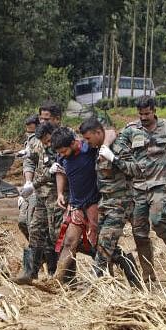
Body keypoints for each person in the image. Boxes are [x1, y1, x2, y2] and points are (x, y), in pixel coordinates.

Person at [109, 96, 166, 282]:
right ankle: (148, 272)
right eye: (141, 114)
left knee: (159, 220)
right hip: (137, 187)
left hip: (160, 184)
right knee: (139, 231)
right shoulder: (130, 130)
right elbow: (119, 149)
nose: (144, 117)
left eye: (147, 113)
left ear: (154, 110)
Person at [79, 117, 140, 287]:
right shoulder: (98, 147)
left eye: (88, 138)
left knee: (106, 242)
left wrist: (114, 159)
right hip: (105, 203)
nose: (87, 142)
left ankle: (94, 281)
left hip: (120, 203)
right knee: (104, 244)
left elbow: (136, 170)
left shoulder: (118, 147)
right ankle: (135, 282)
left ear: (98, 133)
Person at [14, 102, 65, 284]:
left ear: (57, 119)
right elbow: (31, 161)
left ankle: (57, 274)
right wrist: (28, 183)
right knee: (34, 229)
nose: (42, 121)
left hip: (57, 195)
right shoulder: (37, 139)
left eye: (47, 118)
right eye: (41, 118)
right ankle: (30, 272)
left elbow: (53, 169)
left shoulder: (63, 138)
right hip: (40, 193)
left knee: (55, 235)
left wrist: (32, 185)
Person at [50, 126, 100, 284]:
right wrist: (59, 193)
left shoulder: (89, 148)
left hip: (95, 204)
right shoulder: (62, 156)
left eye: (64, 151)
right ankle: (57, 281)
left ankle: (106, 278)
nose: (62, 155)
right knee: (69, 242)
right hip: (76, 205)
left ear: (73, 143)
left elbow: (109, 133)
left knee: (101, 244)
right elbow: (60, 171)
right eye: (59, 153)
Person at [17, 115, 40, 241]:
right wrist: (27, 183)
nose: (30, 136)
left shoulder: (43, 141)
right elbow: (28, 164)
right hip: (30, 186)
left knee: (33, 225)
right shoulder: (29, 142)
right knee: (22, 222)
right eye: (28, 132)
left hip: (40, 187)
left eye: (33, 132)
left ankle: (38, 254)